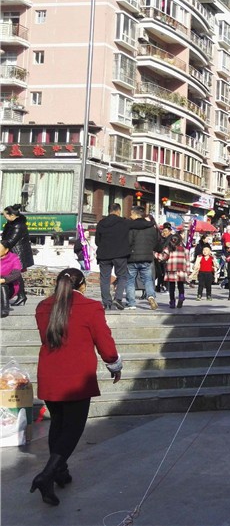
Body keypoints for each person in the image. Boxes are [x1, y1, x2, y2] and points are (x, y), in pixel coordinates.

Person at [31, 268, 122, 506]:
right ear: (82, 285)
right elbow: (104, 340)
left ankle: (60, 471)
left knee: (58, 423)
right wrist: (114, 363)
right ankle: (47, 475)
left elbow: (46, 337)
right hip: (77, 377)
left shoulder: (43, 306)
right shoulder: (90, 307)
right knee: (72, 429)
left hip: (50, 373)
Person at [95, 203, 155, 310]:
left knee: (104, 279)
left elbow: (97, 241)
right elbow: (139, 224)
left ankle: (106, 302)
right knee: (122, 276)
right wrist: (151, 223)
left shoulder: (101, 223)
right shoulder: (123, 222)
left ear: (108, 211)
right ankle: (118, 299)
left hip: (104, 255)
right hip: (120, 255)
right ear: (118, 211)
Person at [126, 207, 159, 311]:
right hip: (147, 257)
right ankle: (151, 296)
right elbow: (156, 242)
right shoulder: (151, 228)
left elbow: (128, 242)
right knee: (148, 279)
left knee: (130, 280)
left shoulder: (131, 227)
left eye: (131, 214)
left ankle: (131, 303)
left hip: (132, 258)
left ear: (136, 215)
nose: (130, 216)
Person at [2, 203, 34, 306]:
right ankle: (20, 296)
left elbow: (11, 240)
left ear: (12, 215)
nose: (4, 217)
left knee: (16, 275)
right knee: (15, 276)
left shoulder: (18, 225)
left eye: (5, 215)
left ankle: (21, 296)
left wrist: (1, 247)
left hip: (18, 253)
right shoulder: (11, 224)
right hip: (12, 252)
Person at [154, 234, 191, 309]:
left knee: (171, 287)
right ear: (180, 241)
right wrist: (187, 272)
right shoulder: (185, 250)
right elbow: (187, 262)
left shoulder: (168, 249)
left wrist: (154, 253)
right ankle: (181, 296)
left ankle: (172, 301)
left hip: (171, 270)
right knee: (180, 285)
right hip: (181, 269)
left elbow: (162, 257)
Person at [0, 245, 24, 317]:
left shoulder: (13, 258)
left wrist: (4, 280)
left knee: (2, 286)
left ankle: (5, 309)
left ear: (6, 250)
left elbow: (16, 274)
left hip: (9, 287)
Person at [154, 223, 173, 292]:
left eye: (166, 231)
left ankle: (165, 286)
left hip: (166, 258)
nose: (164, 232)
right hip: (160, 258)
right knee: (159, 272)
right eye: (163, 231)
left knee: (165, 273)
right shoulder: (161, 238)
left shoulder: (171, 238)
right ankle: (159, 286)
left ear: (170, 231)